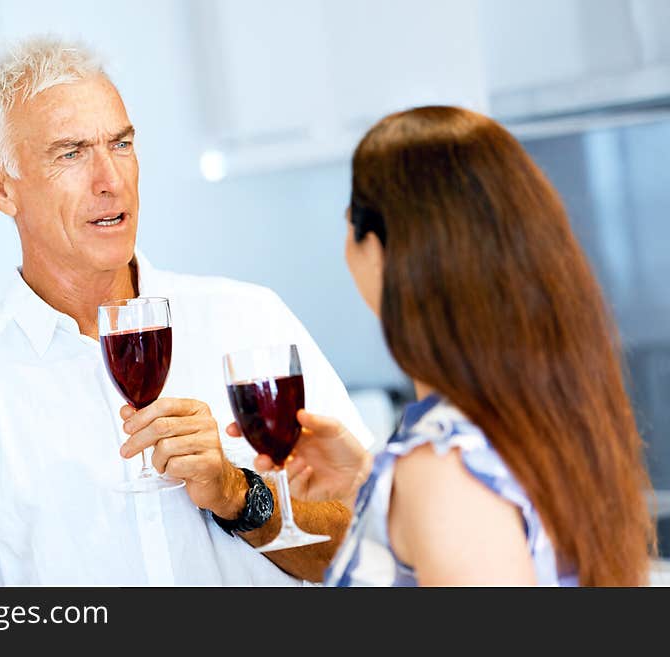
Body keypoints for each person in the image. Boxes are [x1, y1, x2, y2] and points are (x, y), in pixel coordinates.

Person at [0, 36, 373, 586]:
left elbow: (370, 551)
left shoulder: (248, 318)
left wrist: (236, 493)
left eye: (122, 144)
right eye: (71, 153)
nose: (111, 181)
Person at [234, 106, 657, 586]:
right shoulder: (541, 417)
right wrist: (369, 484)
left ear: (380, 249)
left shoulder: (445, 471)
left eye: (349, 222)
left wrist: (418, 486)